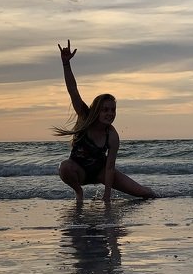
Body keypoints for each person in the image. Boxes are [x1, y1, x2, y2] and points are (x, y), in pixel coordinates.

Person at [54, 41, 157, 203]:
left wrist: (107, 196)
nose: (110, 114)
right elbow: (73, 90)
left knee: (146, 194)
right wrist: (66, 64)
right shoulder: (84, 116)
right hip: (78, 170)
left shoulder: (112, 135)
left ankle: (163, 196)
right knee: (64, 167)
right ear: (97, 110)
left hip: (100, 172)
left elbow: (109, 168)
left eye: (112, 110)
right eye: (105, 110)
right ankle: (79, 192)